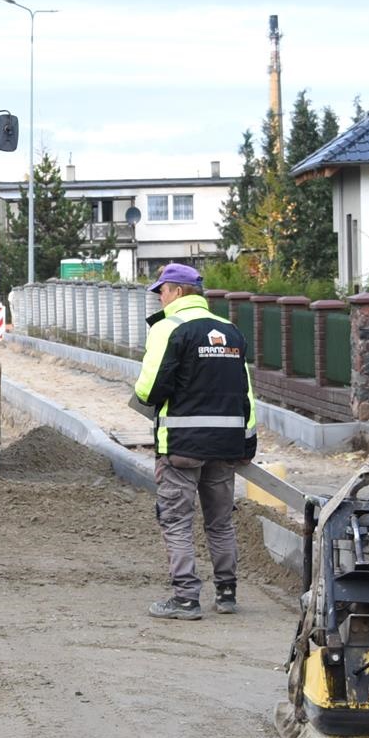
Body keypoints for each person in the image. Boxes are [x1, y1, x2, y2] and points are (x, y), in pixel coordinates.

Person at [131, 263, 257, 620]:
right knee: (220, 522)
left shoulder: (168, 328)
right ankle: (227, 593)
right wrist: (248, 444)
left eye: (162, 291)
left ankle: (186, 598)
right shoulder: (231, 332)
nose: (160, 297)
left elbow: (149, 388)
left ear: (177, 291)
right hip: (226, 446)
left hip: (182, 446)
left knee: (177, 520)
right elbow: (246, 394)